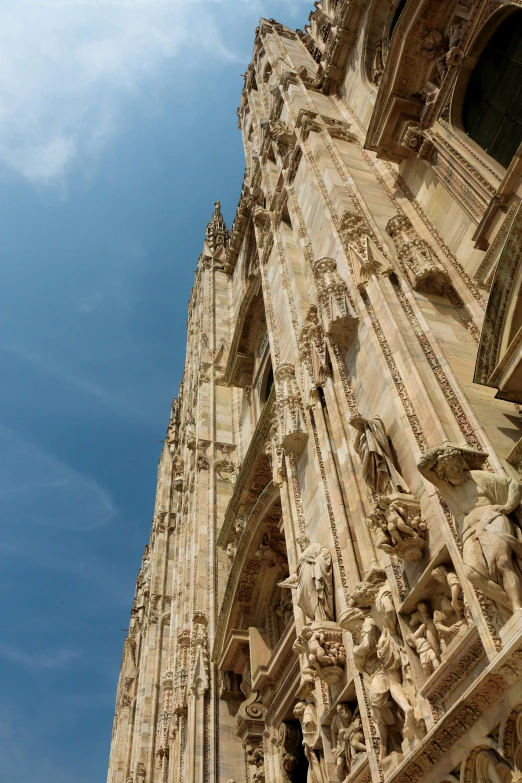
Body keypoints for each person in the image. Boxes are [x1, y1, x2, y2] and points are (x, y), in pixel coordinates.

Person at [418, 445, 522, 621]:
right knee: (472, 573)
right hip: (467, 531)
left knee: (503, 561)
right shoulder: (445, 487)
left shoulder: (478, 477)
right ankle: (510, 605)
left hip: (490, 518)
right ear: (443, 472)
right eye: (451, 468)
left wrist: (508, 506)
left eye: (457, 466)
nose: (456, 471)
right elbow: (422, 466)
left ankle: (518, 607)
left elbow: (514, 485)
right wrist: (441, 450)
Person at [279, 535, 334, 622]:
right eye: (300, 544)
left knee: (314, 594)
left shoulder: (314, 546)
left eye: (303, 542)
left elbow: (325, 552)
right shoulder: (301, 557)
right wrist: (287, 581)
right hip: (304, 578)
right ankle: (317, 617)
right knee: (309, 596)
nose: (302, 545)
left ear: (307, 541)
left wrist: (315, 561)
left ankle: (321, 617)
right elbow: (297, 574)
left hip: (312, 573)